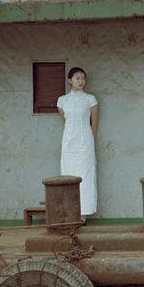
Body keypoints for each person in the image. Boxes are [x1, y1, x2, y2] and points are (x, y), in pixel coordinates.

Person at [57, 67, 99, 223]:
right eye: (77, 78)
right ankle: (69, 212)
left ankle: (83, 215)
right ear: (70, 80)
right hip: (68, 141)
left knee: (86, 175)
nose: (81, 81)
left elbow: (94, 124)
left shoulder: (90, 99)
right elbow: (66, 121)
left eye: (83, 78)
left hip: (85, 141)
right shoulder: (62, 101)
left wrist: (89, 141)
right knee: (68, 174)